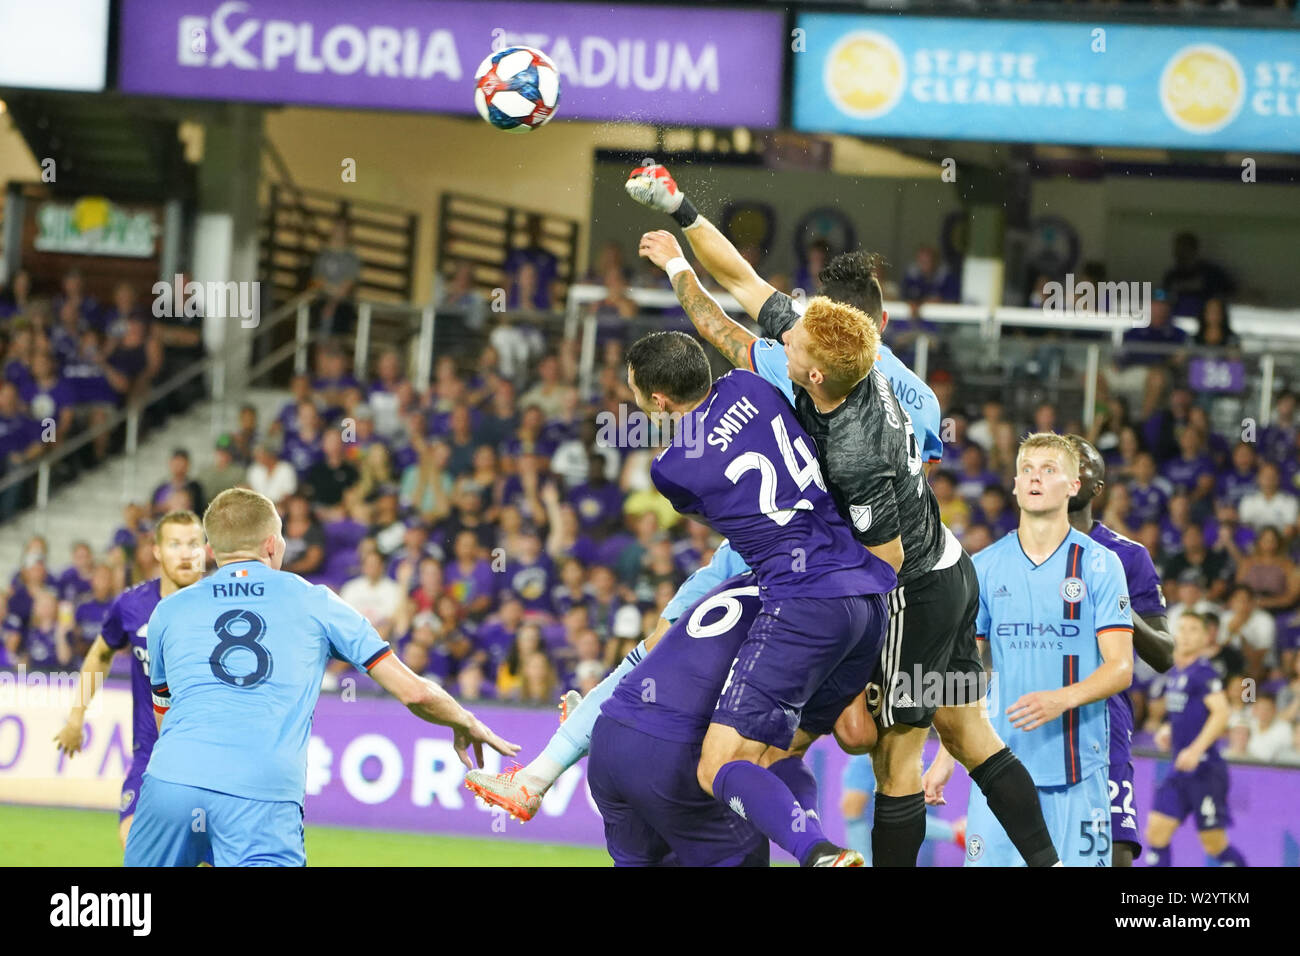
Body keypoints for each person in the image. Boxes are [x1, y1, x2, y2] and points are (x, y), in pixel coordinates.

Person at [624, 164, 1058, 868]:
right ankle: (1052, 864)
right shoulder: (845, 358)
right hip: (950, 561)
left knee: (891, 753)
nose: (779, 346)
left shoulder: (857, 452)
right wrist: (681, 216)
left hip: (911, 585)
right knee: (970, 733)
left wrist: (853, 660)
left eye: (789, 348)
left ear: (815, 374)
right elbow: (740, 283)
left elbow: (882, 563)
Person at [123, 488, 518, 867]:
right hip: (260, 797)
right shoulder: (317, 601)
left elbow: (166, 716)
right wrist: (463, 719)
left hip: (169, 786)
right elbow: (414, 692)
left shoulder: (167, 613)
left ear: (210, 551)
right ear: (272, 546)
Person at [929, 433, 1134, 866]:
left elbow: (1120, 668)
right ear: (1016, 487)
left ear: (1073, 485)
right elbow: (970, 673)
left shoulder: (1099, 564)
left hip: (1079, 772)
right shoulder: (983, 567)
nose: (1035, 478)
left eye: (1049, 470)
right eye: (1027, 470)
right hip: (997, 768)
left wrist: (1062, 698)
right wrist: (947, 755)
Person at [587, 574, 769, 866]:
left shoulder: (713, 582)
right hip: (669, 748)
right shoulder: (786, 607)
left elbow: (655, 643)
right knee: (742, 849)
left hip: (609, 735)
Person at [53, 510, 207, 850]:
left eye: (194, 543)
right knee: (136, 841)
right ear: (156, 551)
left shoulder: (223, 607)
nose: (185, 553)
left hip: (210, 759)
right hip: (152, 754)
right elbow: (100, 655)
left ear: (206, 549)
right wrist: (76, 716)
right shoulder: (133, 605)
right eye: (175, 544)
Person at [1058, 435, 1175, 867]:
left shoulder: (1127, 556)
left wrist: (1118, 601)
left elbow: (1164, 654)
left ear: (1097, 488)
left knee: (1114, 852)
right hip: (1032, 715)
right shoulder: (1014, 554)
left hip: (1102, 719)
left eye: (1081, 465)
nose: (1070, 471)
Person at [1143, 612, 1245, 867]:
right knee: (1156, 832)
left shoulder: (1204, 672)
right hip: (1179, 770)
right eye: (1183, 628)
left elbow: (1221, 713)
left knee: (1214, 844)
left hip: (1205, 771)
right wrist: (1168, 729)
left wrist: (1195, 749)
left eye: (1193, 630)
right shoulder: (1176, 673)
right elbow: (1188, 712)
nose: (1186, 635)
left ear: (1205, 638)